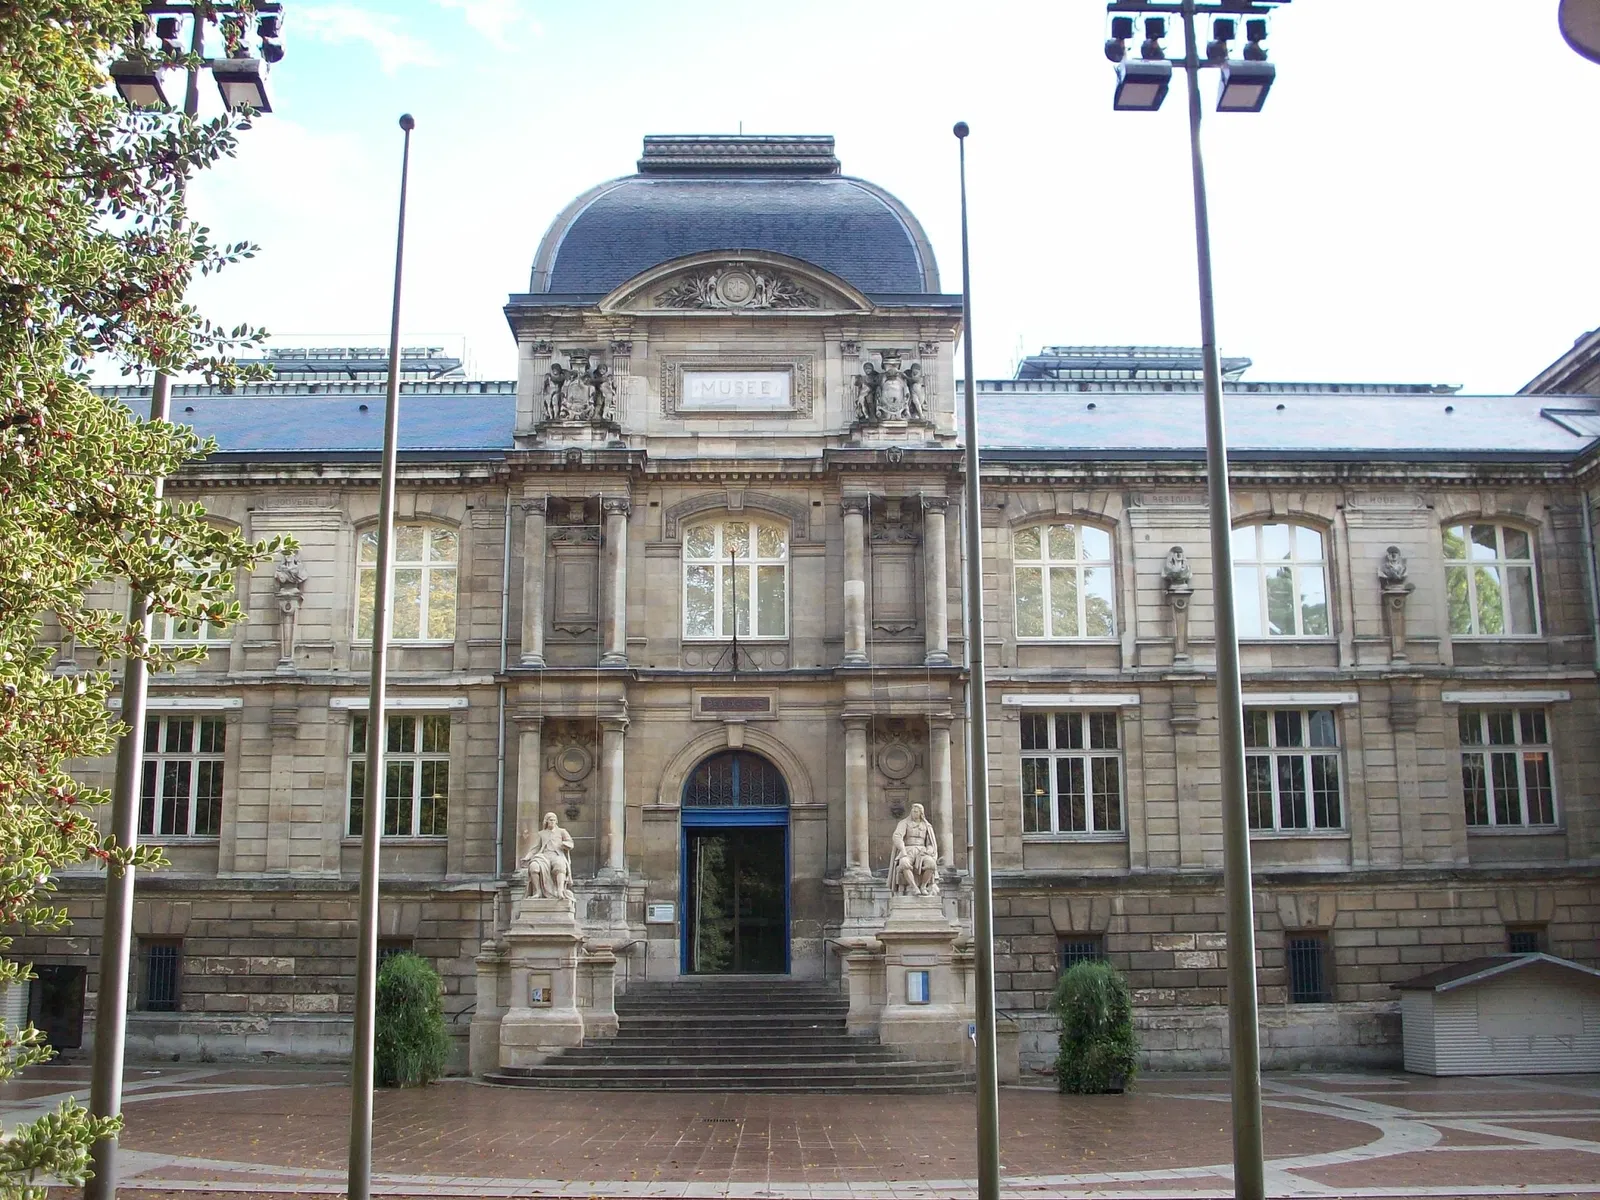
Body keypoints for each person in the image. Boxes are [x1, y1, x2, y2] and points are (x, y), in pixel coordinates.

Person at [520, 812, 574, 900]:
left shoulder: (562, 831)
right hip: (544, 856)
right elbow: (535, 848)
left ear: (556, 821)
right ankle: (537, 892)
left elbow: (571, 843)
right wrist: (527, 857)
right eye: (550, 820)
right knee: (534, 866)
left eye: (554, 820)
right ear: (546, 821)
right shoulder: (541, 834)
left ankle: (560, 890)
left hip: (557, 855)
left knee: (560, 865)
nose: (552, 822)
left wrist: (564, 844)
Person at [891, 802, 939, 896]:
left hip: (922, 852)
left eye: (916, 812)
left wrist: (929, 850)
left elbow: (930, 842)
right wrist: (902, 850)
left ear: (921, 813)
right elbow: (897, 836)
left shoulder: (927, 826)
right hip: (908, 849)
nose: (914, 813)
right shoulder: (904, 823)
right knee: (904, 863)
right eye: (913, 811)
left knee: (931, 864)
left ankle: (923, 886)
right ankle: (914, 887)